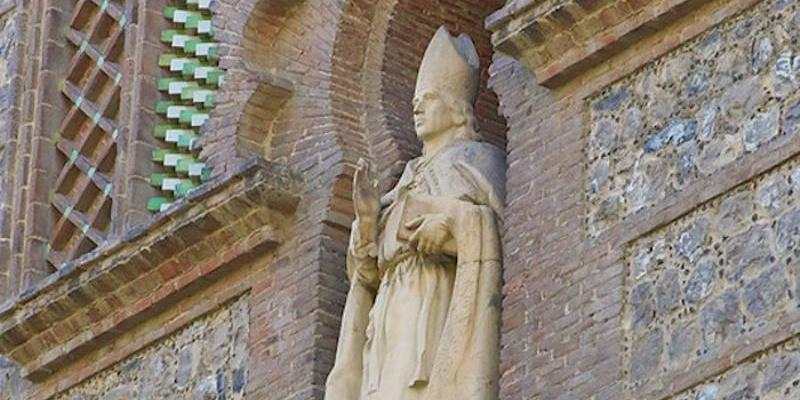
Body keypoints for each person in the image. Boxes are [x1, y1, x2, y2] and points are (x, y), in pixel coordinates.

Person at [325, 26, 506, 400]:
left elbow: (501, 234)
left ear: (457, 111)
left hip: (434, 299)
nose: (418, 107)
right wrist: (369, 222)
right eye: (415, 101)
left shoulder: (478, 160)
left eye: (429, 99)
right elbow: (367, 275)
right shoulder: (405, 180)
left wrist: (451, 228)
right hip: (389, 315)